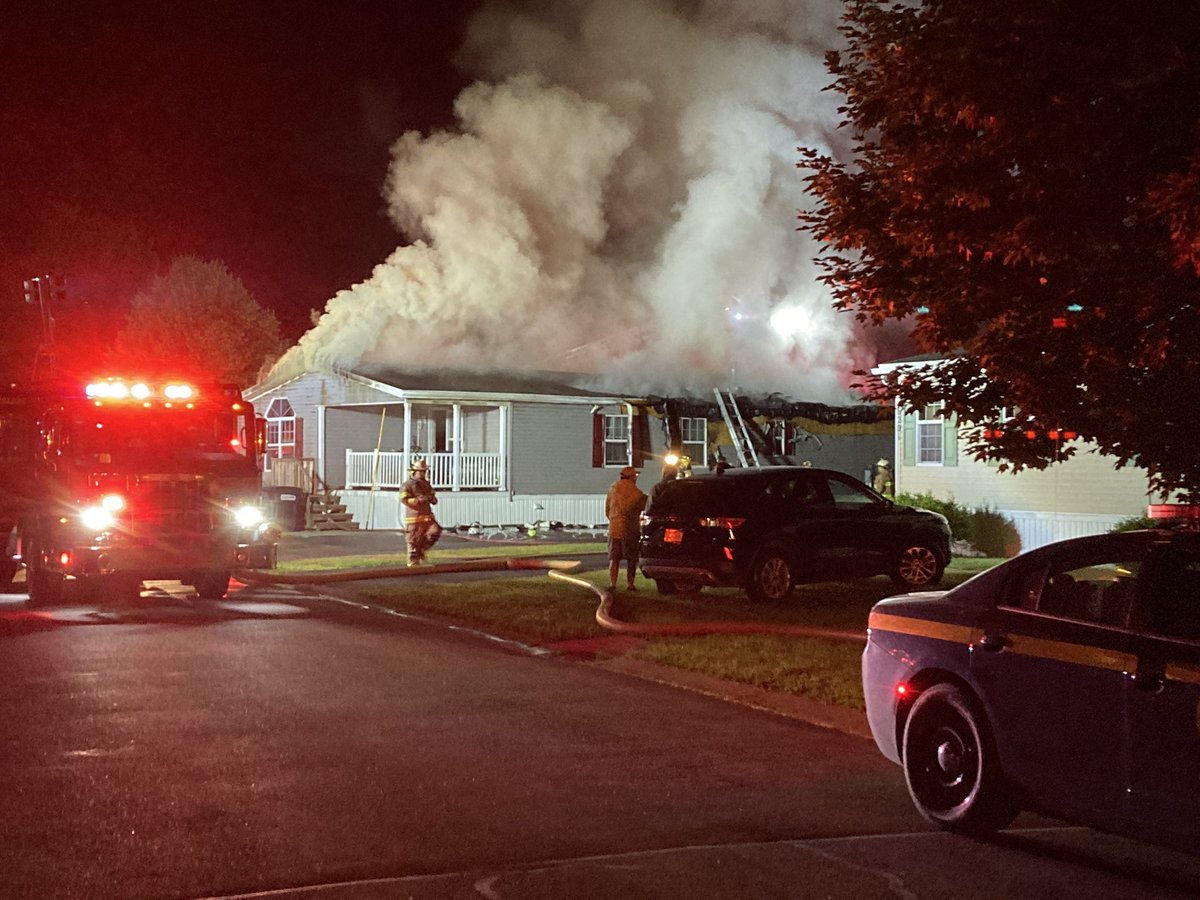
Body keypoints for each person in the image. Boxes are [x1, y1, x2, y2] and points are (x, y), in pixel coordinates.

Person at [605, 465, 647, 591]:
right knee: (631, 559)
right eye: (635, 475)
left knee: (614, 558)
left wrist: (614, 520)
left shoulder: (612, 489)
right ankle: (630, 584)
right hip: (630, 530)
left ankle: (613, 584)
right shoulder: (637, 493)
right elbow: (644, 508)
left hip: (614, 529)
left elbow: (607, 510)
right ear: (632, 477)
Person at [399, 458, 442, 566]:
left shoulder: (426, 484)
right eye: (421, 471)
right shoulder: (407, 484)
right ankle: (413, 563)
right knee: (414, 540)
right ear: (414, 471)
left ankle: (422, 550)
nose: (424, 473)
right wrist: (417, 501)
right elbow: (403, 499)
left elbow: (433, 497)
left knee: (435, 531)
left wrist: (432, 499)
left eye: (425, 471)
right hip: (414, 518)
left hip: (427, 517)